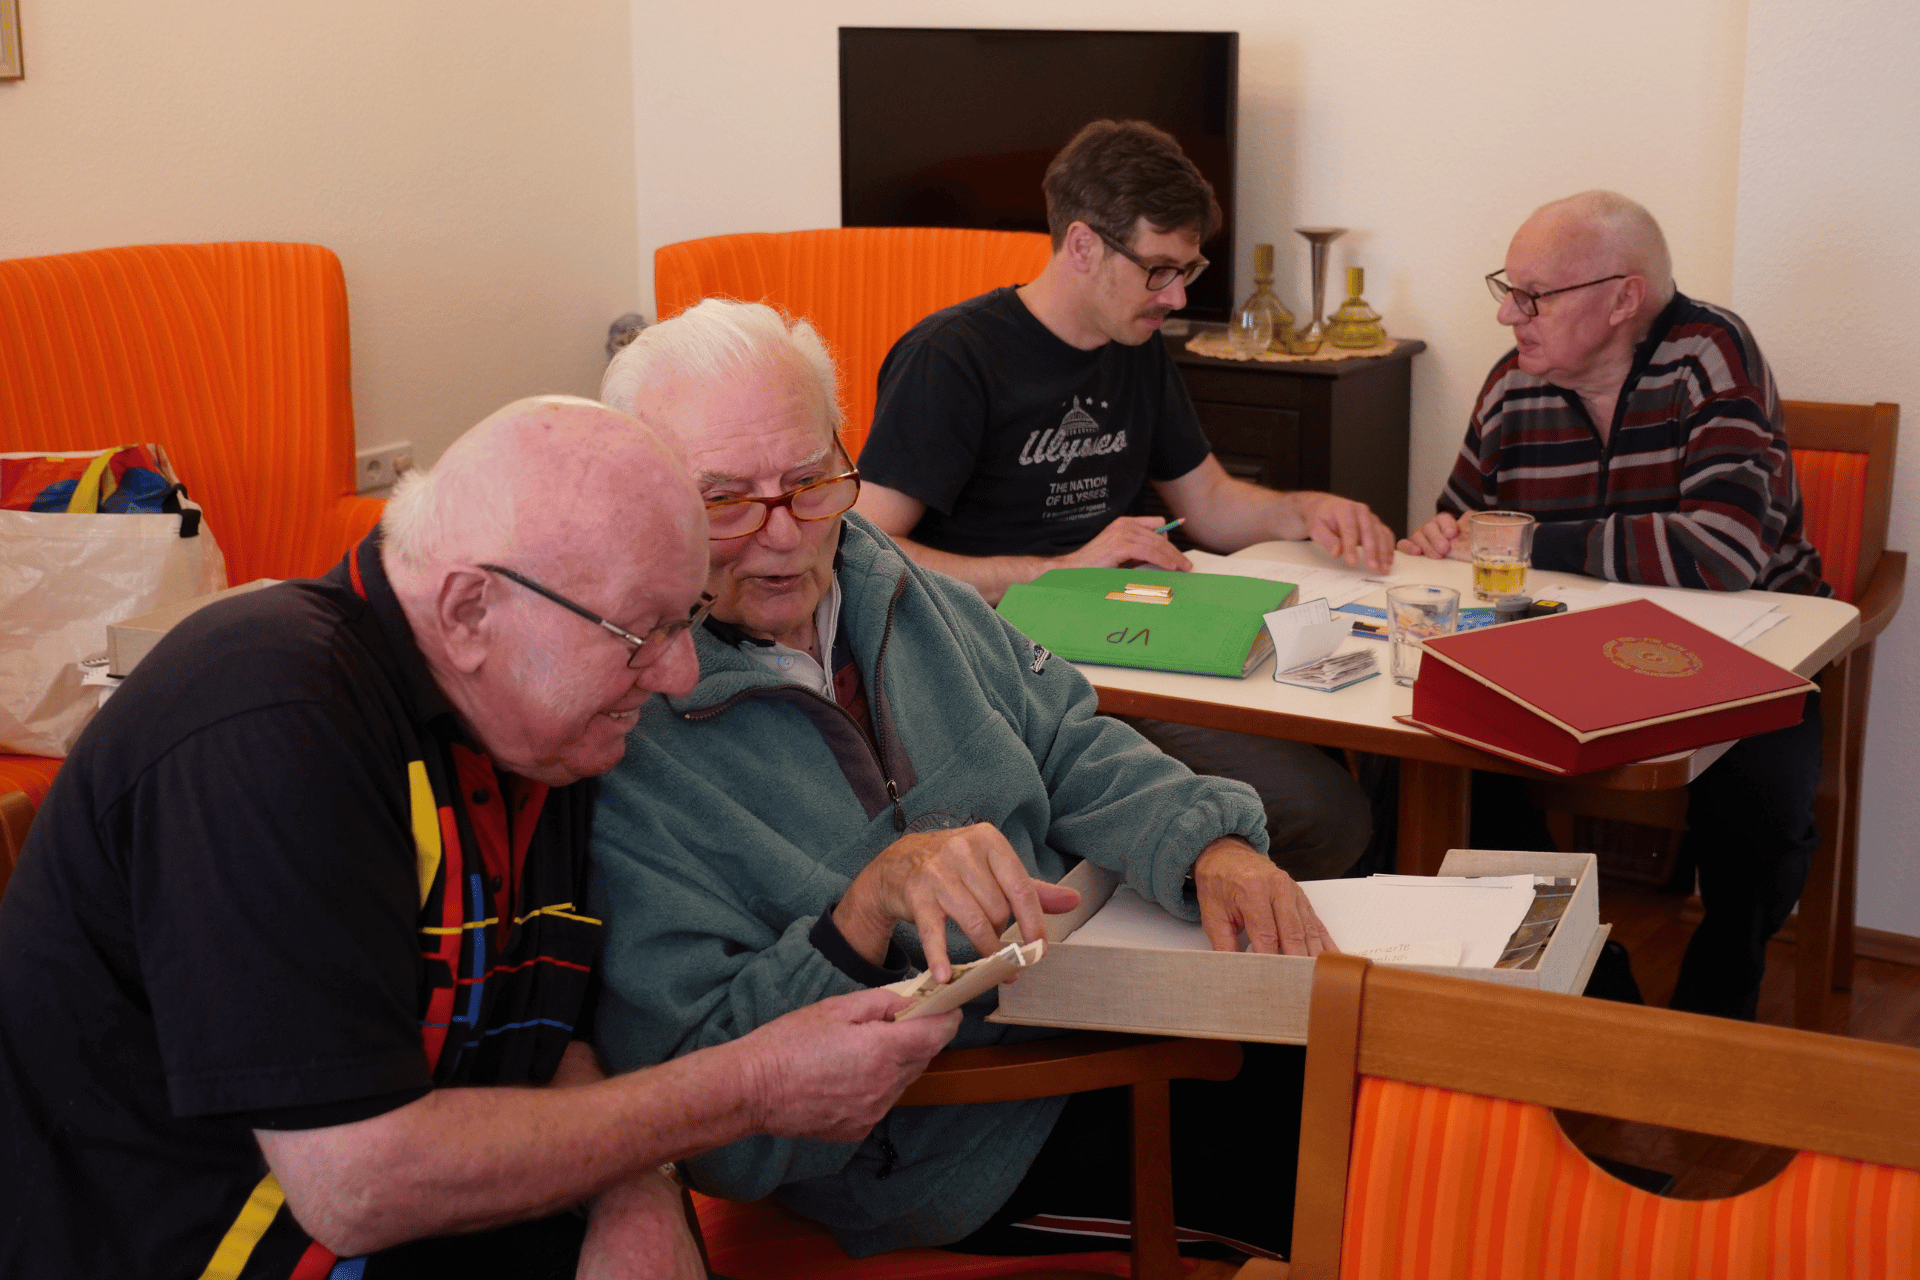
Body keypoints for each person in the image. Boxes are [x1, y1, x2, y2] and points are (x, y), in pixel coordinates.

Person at [0, 397, 960, 1279]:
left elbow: (545, 1025)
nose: (674, 675)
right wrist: (750, 1087)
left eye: (687, 623)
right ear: (468, 611)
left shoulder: (535, 722)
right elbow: (357, 1183)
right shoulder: (269, 721)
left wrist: (635, 1190)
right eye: (641, 635)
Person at [594, 298, 1330, 1262]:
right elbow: (707, 1106)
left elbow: (1065, 737)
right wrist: (862, 915)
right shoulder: (621, 738)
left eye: (812, 480)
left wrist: (1210, 846)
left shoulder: (882, 572)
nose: (785, 535)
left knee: (1403, 1060)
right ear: (648, 504)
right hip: (958, 1141)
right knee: (1373, 1164)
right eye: (725, 500)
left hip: (1108, 1007)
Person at [853, 118, 1391, 882]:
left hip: (1138, 638)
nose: (1175, 297)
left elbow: (1208, 502)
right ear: (1082, 246)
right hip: (1019, 665)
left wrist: (1306, 510)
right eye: (1158, 270)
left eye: (1188, 270)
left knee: (1362, 739)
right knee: (1323, 814)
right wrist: (1061, 571)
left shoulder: (1132, 345)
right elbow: (869, 550)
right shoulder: (954, 358)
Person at [1400, 190, 1828, 1020]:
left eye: (1533, 295)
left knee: (1762, 815)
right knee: (1439, 764)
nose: (1505, 314)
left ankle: (1716, 1000)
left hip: (1753, 651)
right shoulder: (1512, 386)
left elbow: (1722, 554)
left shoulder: (1712, 354)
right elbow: (1460, 533)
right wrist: (1443, 541)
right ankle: (1596, 983)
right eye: (1506, 287)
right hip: (1566, 658)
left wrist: (1521, 537)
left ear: (1623, 298)